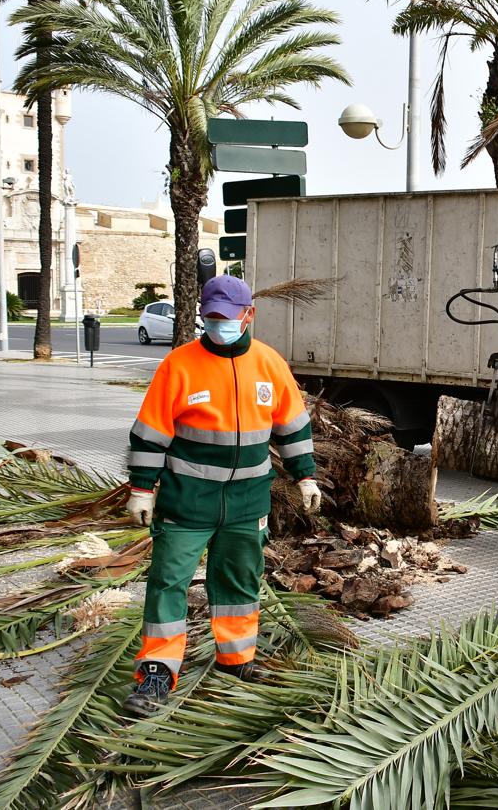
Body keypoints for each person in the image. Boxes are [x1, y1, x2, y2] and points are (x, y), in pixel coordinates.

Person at [121, 275, 322, 715]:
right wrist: (141, 489)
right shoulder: (179, 365)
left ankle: (236, 659)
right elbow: (150, 434)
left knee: (239, 582)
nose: (219, 325)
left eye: (228, 318)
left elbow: (293, 428)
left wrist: (305, 476)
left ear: (249, 315)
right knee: (168, 583)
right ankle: (157, 672)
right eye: (211, 318)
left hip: (247, 503)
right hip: (186, 501)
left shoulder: (270, 365)